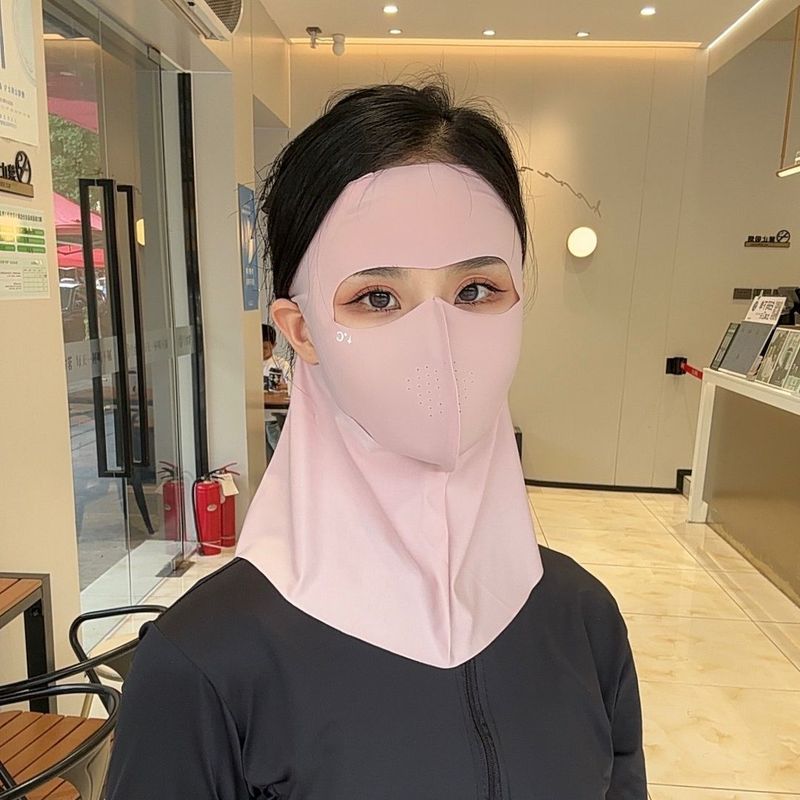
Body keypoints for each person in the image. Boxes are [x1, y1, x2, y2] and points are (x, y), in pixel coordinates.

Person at [106, 82, 646, 799]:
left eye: (476, 290)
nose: (439, 342)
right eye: (377, 298)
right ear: (300, 330)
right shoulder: (203, 664)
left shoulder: (584, 620)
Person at [262, 323, 291, 456]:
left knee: (275, 439)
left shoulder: (281, 364)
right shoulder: (250, 363)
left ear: (273, 345)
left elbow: (293, 387)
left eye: (265, 347)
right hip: (257, 411)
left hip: (274, 413)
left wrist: (285, 386)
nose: (261, 351)